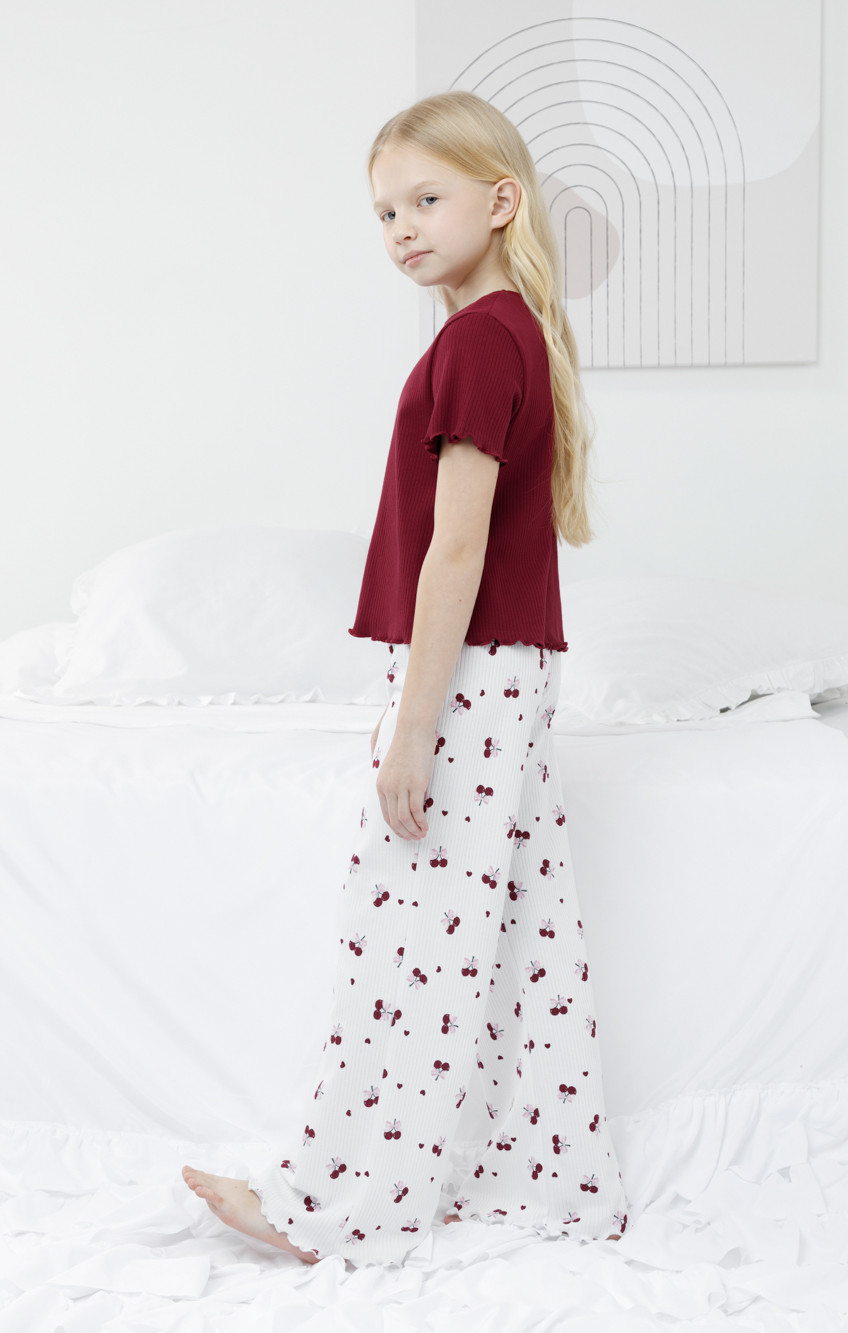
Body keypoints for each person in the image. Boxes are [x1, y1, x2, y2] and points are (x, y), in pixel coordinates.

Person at [183, 89, 628, 1267]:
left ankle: (335, 1204)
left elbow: (456, 550)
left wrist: (412, 732)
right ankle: (527, 1173)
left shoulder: (478, 341)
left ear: (501, 200)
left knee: (409, 945)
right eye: (384, 212)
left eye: (425, 200)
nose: (401, 228)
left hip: (469, 678)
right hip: (505, 673)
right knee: (505, 932)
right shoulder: (509, 330)